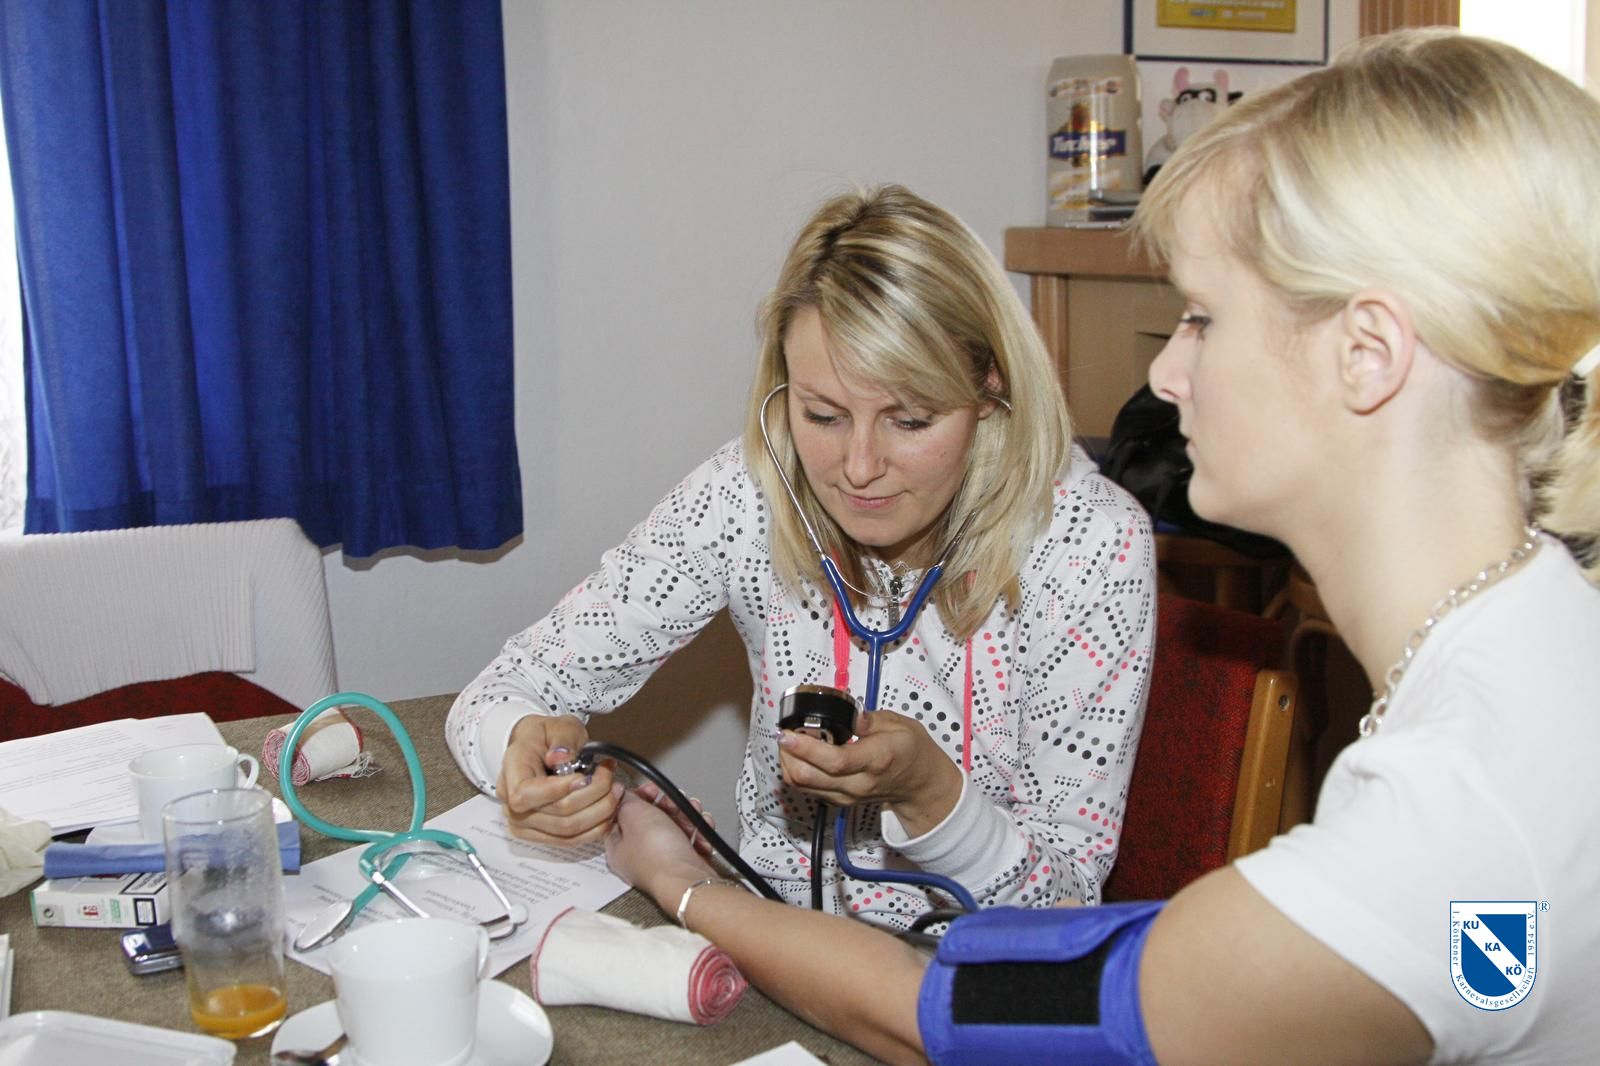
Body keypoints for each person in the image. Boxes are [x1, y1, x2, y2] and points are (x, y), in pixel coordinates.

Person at [604, 30, 1600, 1065]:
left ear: (1367, 355)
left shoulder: (1452, 822)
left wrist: (681, 883)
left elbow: (948, 1017)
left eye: (1202, 318)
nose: (1164, 375)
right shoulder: (1538, 650)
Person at [446, 185, 1158, 928]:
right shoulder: (747, 494)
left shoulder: (1092, 545)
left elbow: (1067, 907)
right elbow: (499, 692)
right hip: (773, 940)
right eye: (822, 414)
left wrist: (930, 796)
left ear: (990, 388)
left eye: (910, 419)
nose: (859, 467)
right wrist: (518, 752)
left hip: (971, 969)